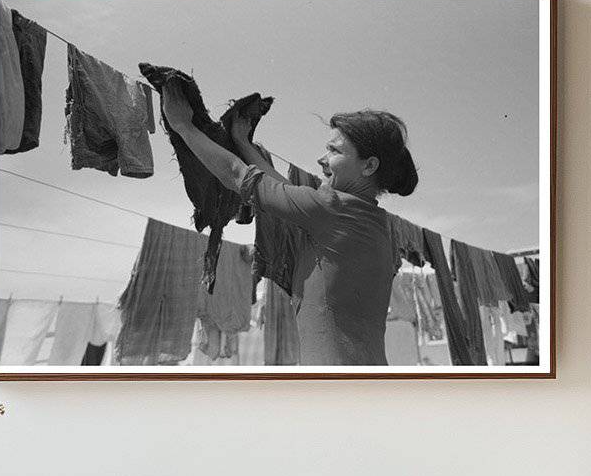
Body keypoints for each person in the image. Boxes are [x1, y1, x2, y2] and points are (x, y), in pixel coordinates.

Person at [160, 83, 419, 365]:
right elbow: (282, 189)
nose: (322, 159)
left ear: (369, 166)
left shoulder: (330, 210)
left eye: (334, 151)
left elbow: (237, 175)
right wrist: (243, 143)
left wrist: (183, 126)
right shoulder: (374, 223)